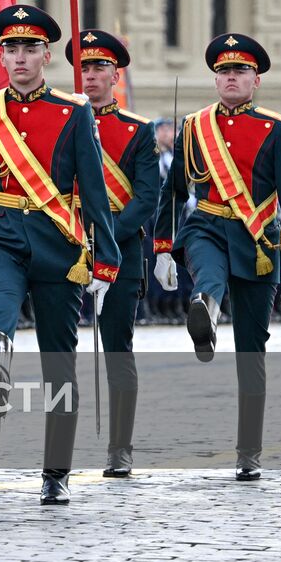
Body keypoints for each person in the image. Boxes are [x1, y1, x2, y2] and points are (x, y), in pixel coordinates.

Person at [0, 5, 120, 505]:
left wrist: (105, 258)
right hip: (2, 233)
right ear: (1, 58)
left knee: (60, 365)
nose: (20, 57)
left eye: (30, 48)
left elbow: (93, 189)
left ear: (46, 56)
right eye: (11, 49)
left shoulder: (74, 112)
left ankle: (56, 472)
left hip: (59, 243)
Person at [153, 33, 281, 481]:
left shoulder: (275, 128)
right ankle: (205, 308)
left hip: (259, 243)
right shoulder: (193, 126)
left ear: (255, 80)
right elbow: (174, 193)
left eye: (240, 71)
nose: (230, 77)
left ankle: (248, 450)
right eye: (223, 71)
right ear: (215, 78)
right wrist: (163, 247)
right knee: (207, 270)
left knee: (251, 350)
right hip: (206, 224)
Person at [66, 28, 160, 478]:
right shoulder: (62, 119)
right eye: (83, 67)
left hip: (119, 250)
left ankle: (119, 445)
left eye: (99, 67)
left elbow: (146, 197)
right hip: (63, 243)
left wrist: (104, 237)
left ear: (115, 74)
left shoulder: (138, 132)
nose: (90, 75)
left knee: (117, 348)